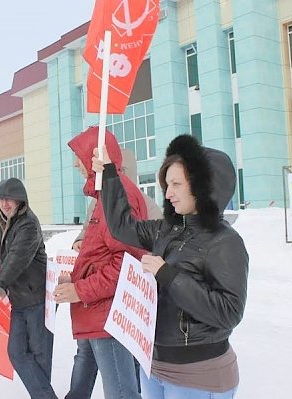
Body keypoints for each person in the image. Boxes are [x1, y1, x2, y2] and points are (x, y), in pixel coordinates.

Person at [92, 134, 249, 398]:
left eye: (176, 184)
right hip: (155, 364)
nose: (169, 193)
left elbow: (229, 312)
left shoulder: (226, 242)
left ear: (203, 187)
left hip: (198, 374)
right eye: (167, 184)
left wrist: (168, 275)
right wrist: (109, 174)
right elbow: (123, 227)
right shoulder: (168, 229)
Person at [55, 127, 151, 399]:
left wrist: (80, 290)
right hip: (99, 310)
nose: (75, 163)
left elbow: (126, 263)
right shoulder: (106, 195)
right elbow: (101, 254)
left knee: (122, 393)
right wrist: (74, 281)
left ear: (95, 156)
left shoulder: (118, 195)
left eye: (79, 155)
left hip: (109, 314)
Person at [0, 177, 57, 399]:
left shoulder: (28, 224)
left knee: (39, 355)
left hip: (38, 298)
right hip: (20, 300)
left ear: (20, 200)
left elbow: (16, 258)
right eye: (2, 199)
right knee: (16, 352)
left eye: (10, 199)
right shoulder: (0, 221)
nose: (5, 204)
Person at [72, 147, 162, 252]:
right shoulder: (97, 201)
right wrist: (80, 240)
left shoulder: (146, 204)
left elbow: (157, 242)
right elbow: (88, 228)